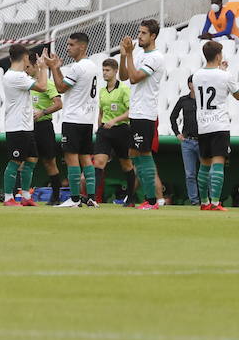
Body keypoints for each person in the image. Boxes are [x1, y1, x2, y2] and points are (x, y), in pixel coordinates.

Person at [47, 32, 99, 208]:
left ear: (82, 47)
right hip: (87, 119)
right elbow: (70, 85)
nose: (68, 48)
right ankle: (91, 197)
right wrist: (58, 68)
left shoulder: (77, 68)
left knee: (72, 158)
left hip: (73, 118)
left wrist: (53, 68)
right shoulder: (91, 65)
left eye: (71, 45)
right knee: (86, 158)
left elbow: (61, 87)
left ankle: (75, 199)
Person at [119, 19, 165, 210]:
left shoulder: (156, 57)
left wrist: (129, 54)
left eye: (143, 33)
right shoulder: (138, 55)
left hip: (146, 113)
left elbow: (135, 78)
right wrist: (123, 57)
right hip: (136, 113)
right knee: (134, 154)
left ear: (153, 36)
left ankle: (153, 200)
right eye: (139, 32)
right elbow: (123, 76)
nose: (139, 36)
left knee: (144, 154)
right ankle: (149, 198)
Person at [193, 39, 239, 211]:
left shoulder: (196, 75)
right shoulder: (225, 76)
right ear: (218, 55)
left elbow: (208, 85)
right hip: (219, 125)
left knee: (204, 166)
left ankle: (204, 202)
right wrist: (224, 73)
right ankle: (215, 202)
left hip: (203, 125)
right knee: (218, 165)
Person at [1, 45, 48, 206]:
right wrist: (43, 67)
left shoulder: (18, 75)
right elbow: (42, 87)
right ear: (26, 58)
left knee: (32, 159)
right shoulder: (15, 77)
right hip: (17, 126)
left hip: (26, 126)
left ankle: (26, 196)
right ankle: (8, 197)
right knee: (15, 161)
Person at [91, 58, 134, 206]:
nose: (104, 73)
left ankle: (131, 198)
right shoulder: (102, 91)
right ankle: (93, 198)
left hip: (121, 130)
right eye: (103, 70)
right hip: (105, 132)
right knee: (98, 163)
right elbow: (101, 112)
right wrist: (99, 127)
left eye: (107, 70)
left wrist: (115, 120)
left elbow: (131, 111)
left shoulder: (123, 89)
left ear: (115, 71)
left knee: (126, 164)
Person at [31, 54, 65, 204]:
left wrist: (42, 112)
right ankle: (19, 195)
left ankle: (56, 197)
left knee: (49, 162)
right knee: (26, 160)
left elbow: (58, 103)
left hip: (44, 126)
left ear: (35, 66)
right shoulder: (30, 83)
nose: (26, 71)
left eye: (28, 67)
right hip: (29, 127)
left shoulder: (48, 85)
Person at [170, 77, 200, 205]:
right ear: (189, 84)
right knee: (190, 174)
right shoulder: (183, 100)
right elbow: (173, 117)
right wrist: (177, 133)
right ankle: (194, 201)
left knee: (207, 172)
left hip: (202, 140)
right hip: (187, 141)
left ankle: (208, 200)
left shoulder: (204, 101)